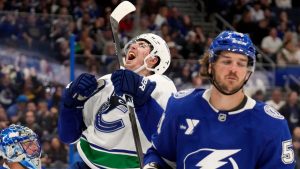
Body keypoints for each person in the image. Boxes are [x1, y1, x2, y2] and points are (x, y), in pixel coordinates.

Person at [142, 31, 295, 168]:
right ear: (210, 66)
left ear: (248, 72)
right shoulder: (180, 107)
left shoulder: (272, 125)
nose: (233, 69)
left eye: (241, 63)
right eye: (226, 61)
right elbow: (161, 157)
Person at [58, 33, 177, 169]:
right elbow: (68, 137)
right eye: (134, 43)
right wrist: (71, 105)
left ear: (153, 60)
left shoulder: (161, 84)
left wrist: (142, 99)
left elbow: (166, 139)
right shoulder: (107, 82)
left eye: (142, 45)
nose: (132, 46)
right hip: (87, 164)